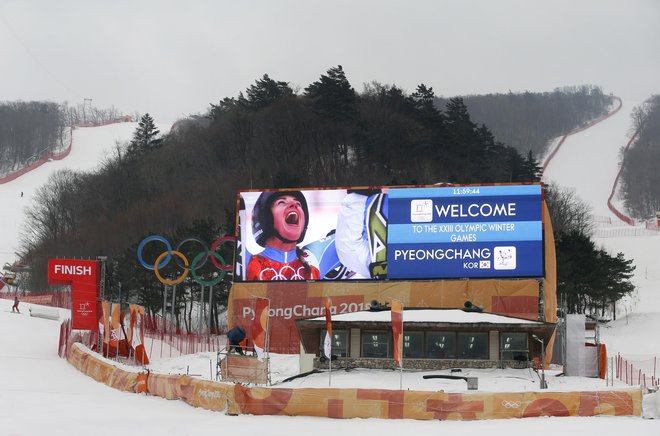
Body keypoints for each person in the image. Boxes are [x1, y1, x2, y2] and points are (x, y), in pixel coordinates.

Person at [247, 191, 320, 281]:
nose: (294, 204)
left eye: (298, 203)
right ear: (266, 218)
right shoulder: (248, 263)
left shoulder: (312, 259)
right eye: (281, 202)